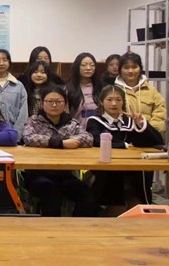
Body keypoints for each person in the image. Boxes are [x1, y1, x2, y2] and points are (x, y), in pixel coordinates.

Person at [22, 86, 99, 217]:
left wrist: (75, 141)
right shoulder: (34, 121)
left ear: (65, 104)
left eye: (58, 101)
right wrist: (61, 143)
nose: (54, 105)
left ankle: (76, 226)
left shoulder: (71, 123)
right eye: (50, 101)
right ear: (42, 103)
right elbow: (29, 138)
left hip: (64, 174)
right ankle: (52, 229)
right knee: (52, 196)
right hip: (39, 174)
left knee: (88, 198)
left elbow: (88, 138)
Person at [86, 85, 163, 212]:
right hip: (108, 170)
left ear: (123, 102)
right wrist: (125, 145)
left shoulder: (130, 121)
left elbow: (157, 141)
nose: (114, 103)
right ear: (101, 102)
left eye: (118, 100)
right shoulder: (95, 121)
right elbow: (96, 141)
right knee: (117, 205)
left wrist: (141, 123)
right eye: (109, 99)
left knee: (136, 201)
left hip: (133, 170)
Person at [114, 52, 166, 135]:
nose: (130, 71)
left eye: (134, 67)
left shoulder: (152, 91)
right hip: (123, 137)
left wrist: (147, 130)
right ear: (120, 70)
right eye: (126, 67)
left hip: (149, 137)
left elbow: (160, 115)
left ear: (140, 68)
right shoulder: (114, 91)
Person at [66, 52, 101, 128]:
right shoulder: (68, 89)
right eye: (84, 65)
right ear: (77, 67)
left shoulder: (100, 87)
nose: (88, 68)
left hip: (97, 130)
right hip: (76, 131)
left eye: (92, 65)